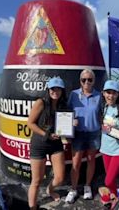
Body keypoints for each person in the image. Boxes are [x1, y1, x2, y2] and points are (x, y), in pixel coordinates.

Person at [27, 77, 68, 210]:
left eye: (58, 89)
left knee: (60, 177)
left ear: (62, 91)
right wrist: (46, 134)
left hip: (55, 143)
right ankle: (32, 207)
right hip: (39, 144)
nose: (55, 91)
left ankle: (50, 190)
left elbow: (64, 125)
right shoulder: (41, 102)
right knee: (36, 181)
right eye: (53, 89)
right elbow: (30, 123)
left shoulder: (62, 104)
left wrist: (71, 124)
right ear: (48, 90)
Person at [65, 69, 102, 203]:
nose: (87, 82)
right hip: (78, 134)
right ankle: (73, 189)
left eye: (90, 79)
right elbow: (66, 113)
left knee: (91, 160)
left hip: (93, 133)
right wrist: (69, 125)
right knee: (76, 163)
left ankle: (87, 186)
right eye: (84, 79)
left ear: (94, 81)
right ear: (80, 81)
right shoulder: (73, 95)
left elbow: (102, 114)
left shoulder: (99, 96)